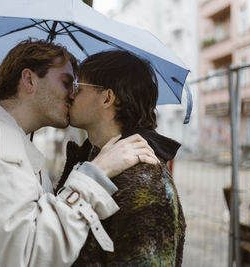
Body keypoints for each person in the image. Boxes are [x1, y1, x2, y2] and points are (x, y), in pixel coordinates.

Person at [0, 40, 159, 267]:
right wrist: (95, 175)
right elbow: (28, 255)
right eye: (65, 82)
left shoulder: (1, 137)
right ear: (29, 80)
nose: (72, 93)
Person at [57, 50, 186, 266]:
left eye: (78, 88)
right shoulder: (91, 160)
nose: (70, 94)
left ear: (107, 98)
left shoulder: (145, 179)